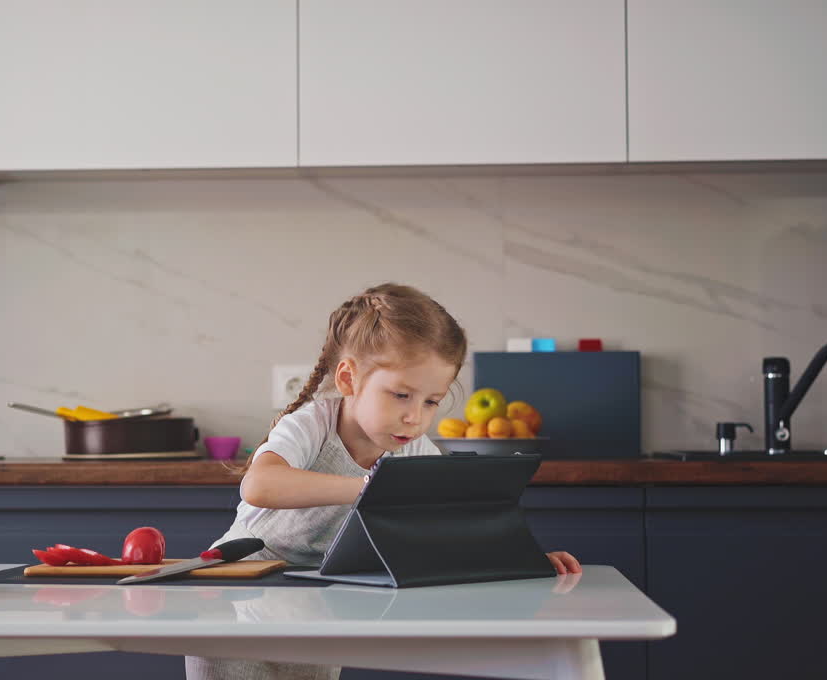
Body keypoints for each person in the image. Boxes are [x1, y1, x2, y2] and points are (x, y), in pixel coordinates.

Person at [186, 283, 580, 680]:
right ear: (348, 379)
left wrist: (520, 561)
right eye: (401, 395)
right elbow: (260, 485)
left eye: (431, 401)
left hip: (316, 606)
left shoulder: (413, 450)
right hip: (235, 600)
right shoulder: (312, 424)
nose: (415, 418)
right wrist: (368, 489)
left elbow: (451, 523)